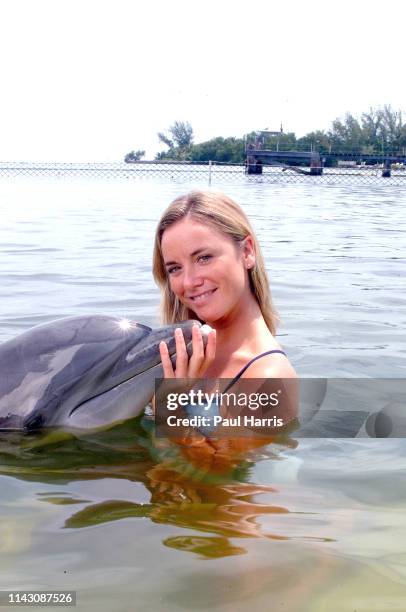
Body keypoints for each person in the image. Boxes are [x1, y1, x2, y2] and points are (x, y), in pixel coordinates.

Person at [153, 190, 297, 385]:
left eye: (204, 258)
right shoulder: (178, 359)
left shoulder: (267, 376)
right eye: (175, 268)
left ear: (247, 252)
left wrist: (171, 404)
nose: (188, 282)